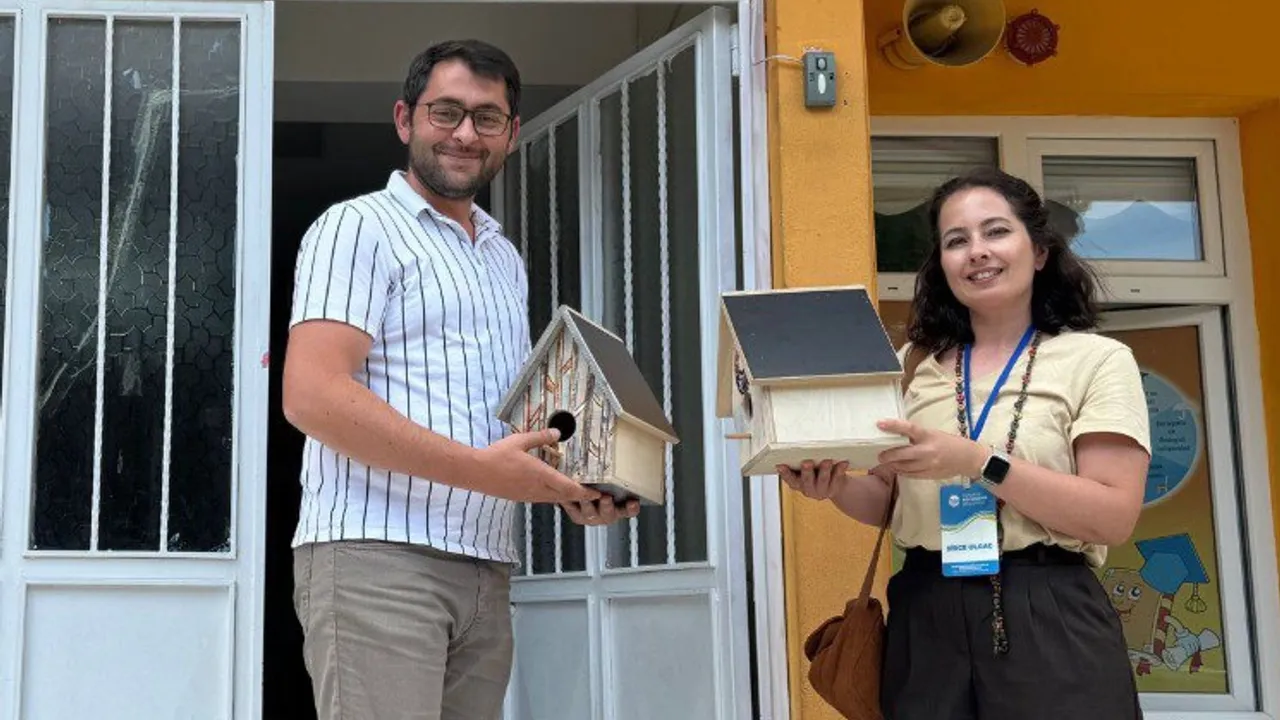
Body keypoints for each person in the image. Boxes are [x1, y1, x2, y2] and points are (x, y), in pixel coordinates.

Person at [282, 40, 640, 720]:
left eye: (487, 117)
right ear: (405, 119)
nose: (466, 134)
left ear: (512, 131)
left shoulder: (501, 256)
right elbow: (312, 395)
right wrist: (484, 472)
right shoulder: (357, 228)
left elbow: (493, 421)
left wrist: (572, 487)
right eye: (445, 112)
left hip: (485, 565)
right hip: (377, 557)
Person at [780, 168, 1151, 720]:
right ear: (942, 264)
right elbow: (889, 499)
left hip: (1047, 606)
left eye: (996, 231)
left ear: (1040, 251)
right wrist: (833, 487)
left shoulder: (1097, 361)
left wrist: (980, 463)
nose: (977, 251)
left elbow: (1112, 517)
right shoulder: (914, 366)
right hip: (926, 610)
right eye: (957, 240)